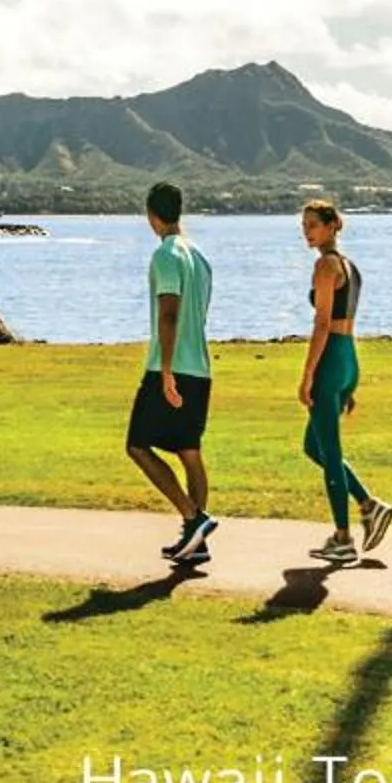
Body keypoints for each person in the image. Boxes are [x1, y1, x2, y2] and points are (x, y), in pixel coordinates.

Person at [298, 199, 392, 564]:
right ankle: (369, 505)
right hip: (349, 357)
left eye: (312, 225)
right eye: (303, 226)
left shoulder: (325, 265)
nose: (306, 232)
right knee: (315, 447)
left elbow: (322, 323)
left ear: (330, 226)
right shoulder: (350, 267)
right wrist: (348, 382)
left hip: (332, 359)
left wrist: (308, 375)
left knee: (331, 452)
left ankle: (343, 538)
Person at [126, 180, 218, 566]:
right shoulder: (199, 256)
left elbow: (169, 312)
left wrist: (164, 371)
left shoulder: (166, 255)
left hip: (173, 367)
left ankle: (193, 517)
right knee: (189, 451)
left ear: (151, 215)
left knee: (137, 445)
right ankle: (195, 542)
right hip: (200, 367)